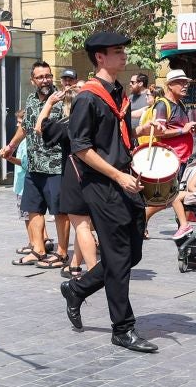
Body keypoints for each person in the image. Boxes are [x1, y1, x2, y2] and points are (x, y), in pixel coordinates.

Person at [58, 31, 157, 354]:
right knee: (117, 258)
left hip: (125, 179)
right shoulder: (88, 97)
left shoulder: (118, 92)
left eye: (123, 51)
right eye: (117, 51)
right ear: (100, 57)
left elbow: (121, 137)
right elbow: (81, 148)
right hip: (102, 184)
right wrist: (117, 174)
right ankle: (122, 328)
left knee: (132, 254)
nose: (124, 56)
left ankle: (77, 288)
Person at [0, 61, 70, 267]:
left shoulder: (62, 99)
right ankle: (38, 250)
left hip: (56, 165)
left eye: (48, 76)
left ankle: (62, 253)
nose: (45, 80)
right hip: (33, 165)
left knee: (60, 212)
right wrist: (11, 145)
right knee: (33, 209)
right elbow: (27, 128)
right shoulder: (30, 99)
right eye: (40, 77)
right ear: (33, 81)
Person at [36, 88, 99, 280]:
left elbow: (40, 127)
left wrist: (48, 104)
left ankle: (94, 271)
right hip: (97, 177)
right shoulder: (97, 122)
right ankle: (74, 265)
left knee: (81, 226)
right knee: (85, 224)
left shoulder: (68, 124)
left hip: (74, 177)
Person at [142, 69, 196, 228]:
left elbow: (180, 127)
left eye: (186, 83)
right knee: (166, 199)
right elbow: (157, 132)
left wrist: (190, 128)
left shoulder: (180, 103)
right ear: (170, 85)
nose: (185, 86)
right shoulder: (162, 104)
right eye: (181, 82)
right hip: (170, 159)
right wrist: (182, 130)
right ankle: (139, 223)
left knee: (180, 197)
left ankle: (182, 228)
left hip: (183, 158)